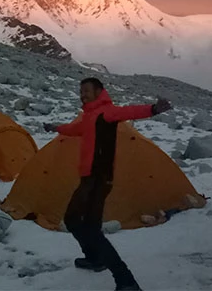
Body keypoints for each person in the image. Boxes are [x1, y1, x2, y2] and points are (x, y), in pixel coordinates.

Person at [43, 77, 172, 291]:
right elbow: (75, 129)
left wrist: (154, 109)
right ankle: (96, 259)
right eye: (81, 90)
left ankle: (125, 280)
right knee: (87, 225)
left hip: (98, 178)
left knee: (76, 221)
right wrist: (56, 127)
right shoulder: (89, 116)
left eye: (86, 90)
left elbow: (129, 112)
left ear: (99, 91)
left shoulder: (106, 112)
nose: (82, 94)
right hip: (92, 178)